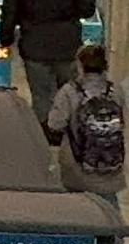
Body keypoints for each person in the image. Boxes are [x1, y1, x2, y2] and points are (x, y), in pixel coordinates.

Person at [3, 0, 100, 124]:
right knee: (69, 93)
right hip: (67, 46)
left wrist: (6, 38)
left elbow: (10, 12)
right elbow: (88, 9)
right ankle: (66, 131)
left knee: (40, 95)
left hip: (33, 45)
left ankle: (44, 132)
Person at [48, 45, 127, 211]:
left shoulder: (69, 91)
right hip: (110, 165)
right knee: (109, 209)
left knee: (75, 209)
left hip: (78, 168)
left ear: (80, 66)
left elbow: (55, 124)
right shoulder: (115, 90)